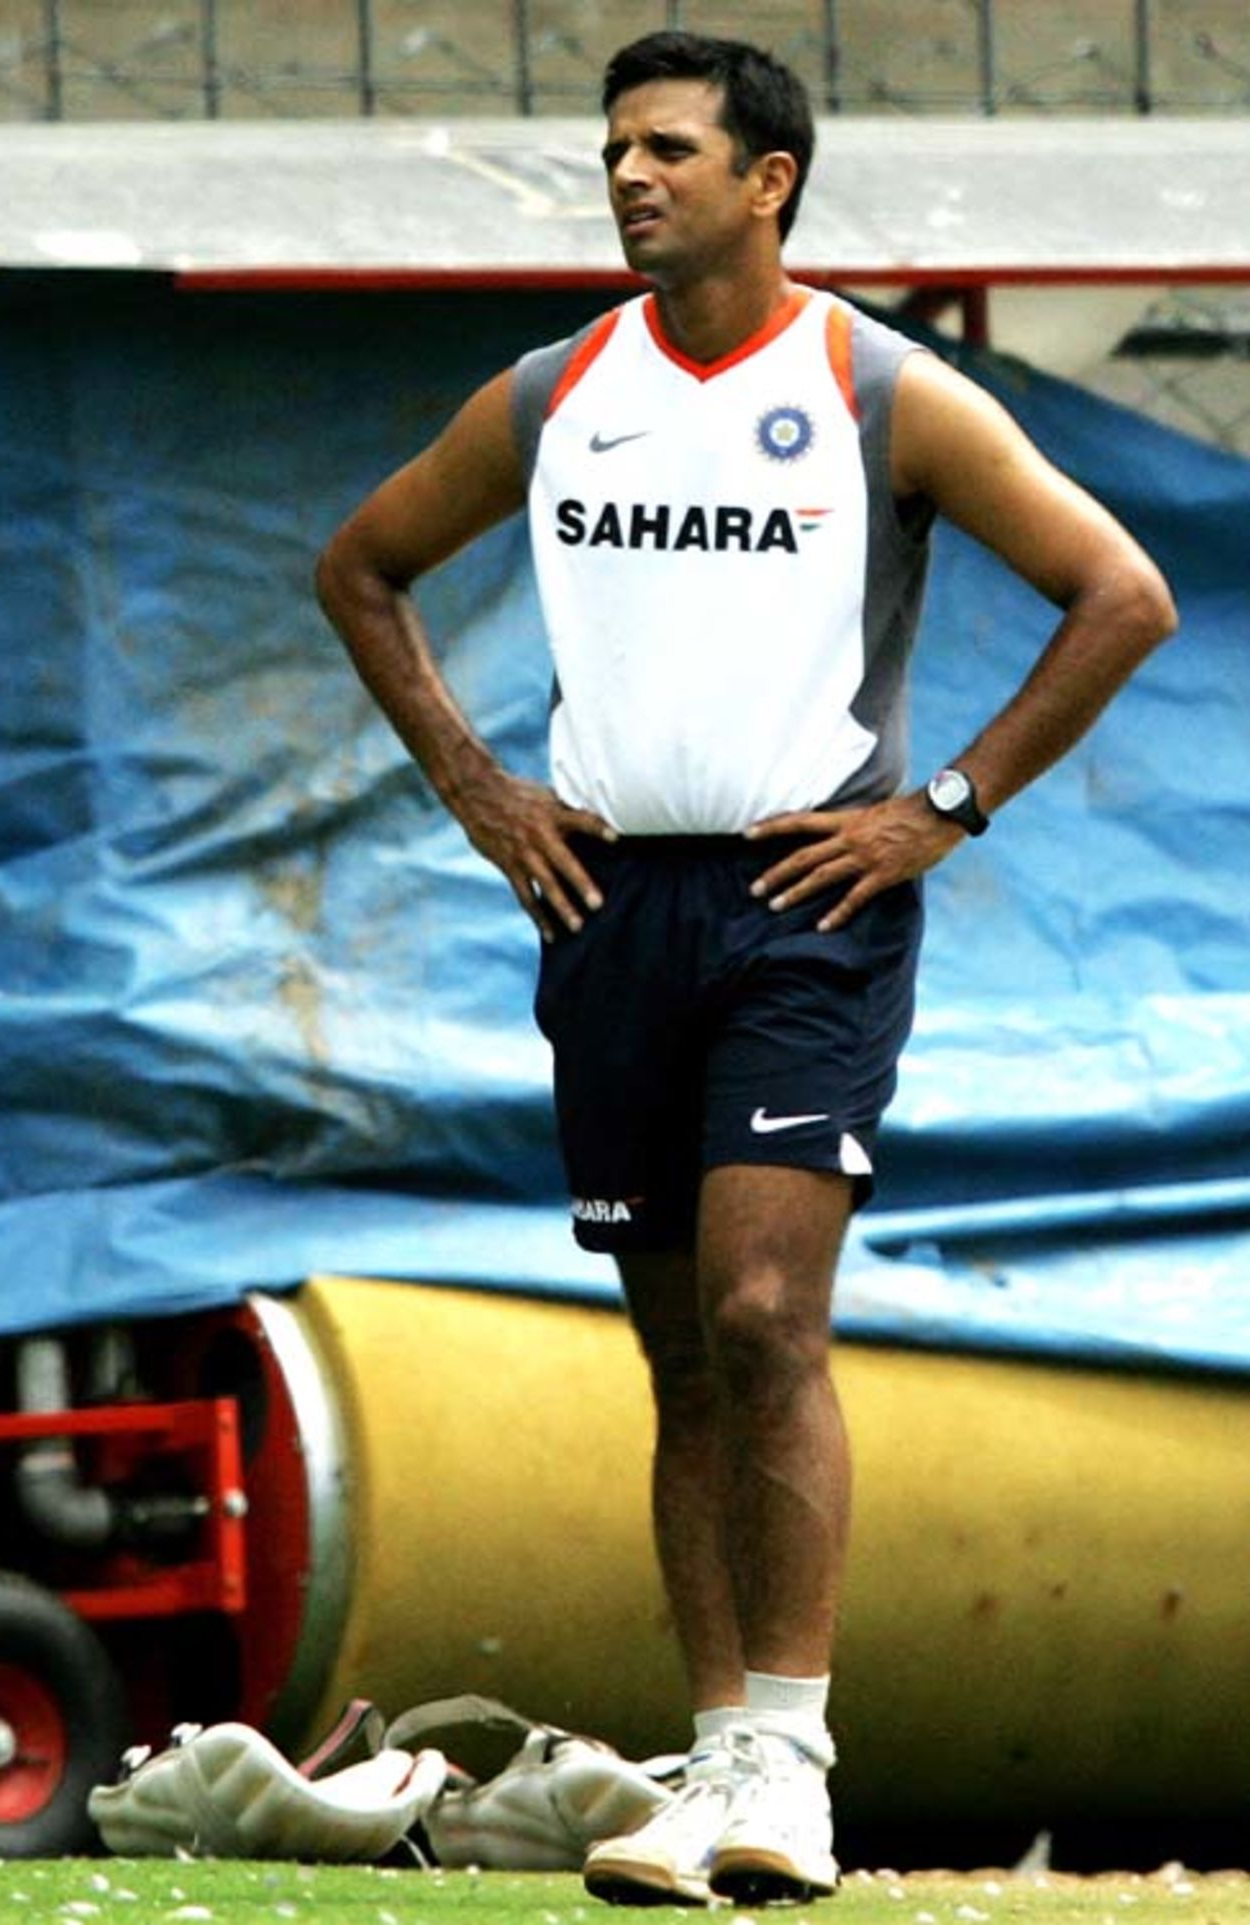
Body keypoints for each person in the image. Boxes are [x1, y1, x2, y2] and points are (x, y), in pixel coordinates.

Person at [316, 29, 1177, 1908]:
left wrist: (941, 808)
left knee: (769, 1310)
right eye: (615, 150)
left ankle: (792, 1757)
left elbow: (1124, 594)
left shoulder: (880, 387)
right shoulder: (558, 391)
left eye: (669, 149)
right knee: (682, 1353)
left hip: (810, 901)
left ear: (768, 180)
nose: (630, 177)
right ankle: (715, 1761)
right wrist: (479, 787)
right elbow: (360, 567)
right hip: (611, 908)